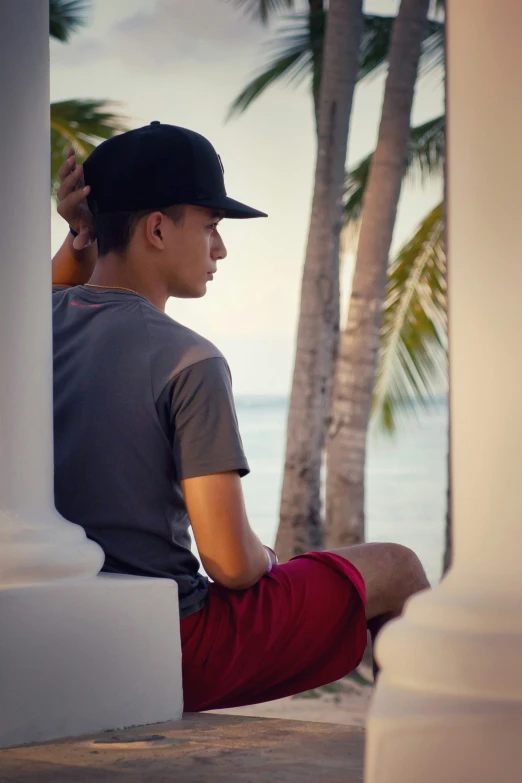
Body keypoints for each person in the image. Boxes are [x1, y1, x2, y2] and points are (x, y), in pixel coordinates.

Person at [52, 122, 429, 712]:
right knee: (398, 569)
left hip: (59, 637)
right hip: (173, 650)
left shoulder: (26, 330)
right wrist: (272, 562)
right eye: (210, 228)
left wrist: (81, 236)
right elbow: (229, 565)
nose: (220, 250)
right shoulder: (188, 360)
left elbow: (39, 296)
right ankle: (421, 754)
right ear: (156, 228)